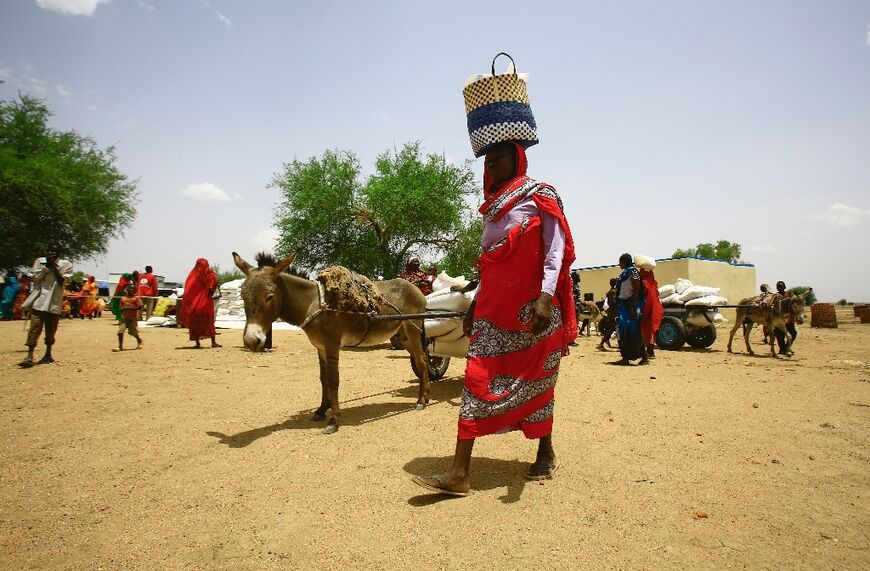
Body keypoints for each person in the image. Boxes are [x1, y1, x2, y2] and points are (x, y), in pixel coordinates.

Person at [411, 140, 576, 496]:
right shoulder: (492, 210)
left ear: (517, 159)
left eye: (499, 159)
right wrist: (474, 305)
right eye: (488, 161)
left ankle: (545, 451)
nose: (492, 166)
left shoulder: (540, 196)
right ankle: (459, 474)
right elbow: (490, 265)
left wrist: (546, 298)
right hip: (492, 312)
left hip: (534, 312)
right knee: (476, 380)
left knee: (538, 382)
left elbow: (554, 251)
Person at [20, 244, 74, 368]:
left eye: (54, 252)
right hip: (40, 300)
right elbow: (36, 279)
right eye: (50, 251)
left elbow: (62, 282)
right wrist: (45, 269)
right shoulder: (40, 262)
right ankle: (29, 355)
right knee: (34, 328)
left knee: (51, 329)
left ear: (59, 253)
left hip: (54, 301)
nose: (51, 254)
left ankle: (48, 353)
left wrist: (54, 268)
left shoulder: (66, 264)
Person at [180, 258, 221, 349]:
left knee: (195, 324)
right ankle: (213, 342)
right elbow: (212, 288)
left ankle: (198, 343)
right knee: (209, 322)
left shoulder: (192, 275)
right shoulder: (210, 275)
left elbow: (188, 290)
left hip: (194, 305)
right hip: (206, 303)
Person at [613, 253, 645, 365]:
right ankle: (626, 357)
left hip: (630, 306)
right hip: (624, 306)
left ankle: (636, 356)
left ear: (624, 261)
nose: (619, 264)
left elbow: (636, 288)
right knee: (625, 331)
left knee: (632, 331)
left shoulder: (633, 272)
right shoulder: (626, 272)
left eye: (620, 261)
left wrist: (632, 306)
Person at [639, 267, 663, 360]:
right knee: (651, 331)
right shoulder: (653, 283)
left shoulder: (644, 283)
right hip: (655, 308)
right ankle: (650, 351)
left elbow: (643, 296)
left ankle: (647, 352)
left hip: (647, 309)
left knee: (644, 330)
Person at [114, 284, 143, 351]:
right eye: (129, 289)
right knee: (120, 332)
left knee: (133, 332)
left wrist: (132, 308)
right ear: (127, 290)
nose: (131, 291)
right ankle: (120, 346)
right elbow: (120, 306)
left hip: (132, 318)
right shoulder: (123, 298)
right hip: (124, 317)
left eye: (132, 289)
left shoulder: (136, 298)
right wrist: (122, 309)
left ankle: (139, 340)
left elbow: (140, 307)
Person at [773, 280, 797, 355]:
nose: (780, 288)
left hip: (789, 320)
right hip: (779, 320)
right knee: (780, 335)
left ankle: (787, 347)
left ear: (784, 287)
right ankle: (782, 349)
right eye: (778, 286)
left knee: (793, 333)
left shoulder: (789, 294)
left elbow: (795, 300)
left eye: (781, 286)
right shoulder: (775, 296)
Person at [597, 278, 618, 351]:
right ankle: (602, 343)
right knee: (614, 328)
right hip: (614, 312)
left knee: (612, 328)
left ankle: (603, 342)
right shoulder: (614, 291)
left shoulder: (610, 291)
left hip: (612, 312)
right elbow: (614, 302)